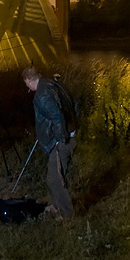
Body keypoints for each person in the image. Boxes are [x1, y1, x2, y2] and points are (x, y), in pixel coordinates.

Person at [22, 67, 78, 219]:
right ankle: (56, 206)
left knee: (55, 180)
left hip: (60, 141)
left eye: (26, 84)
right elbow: (72, 103)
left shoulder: (41, 96)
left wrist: (61, 139)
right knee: (53, 176)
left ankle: (67, 215)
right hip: (67, 135)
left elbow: (56, 116)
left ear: (28, 81)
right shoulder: (51, 84)